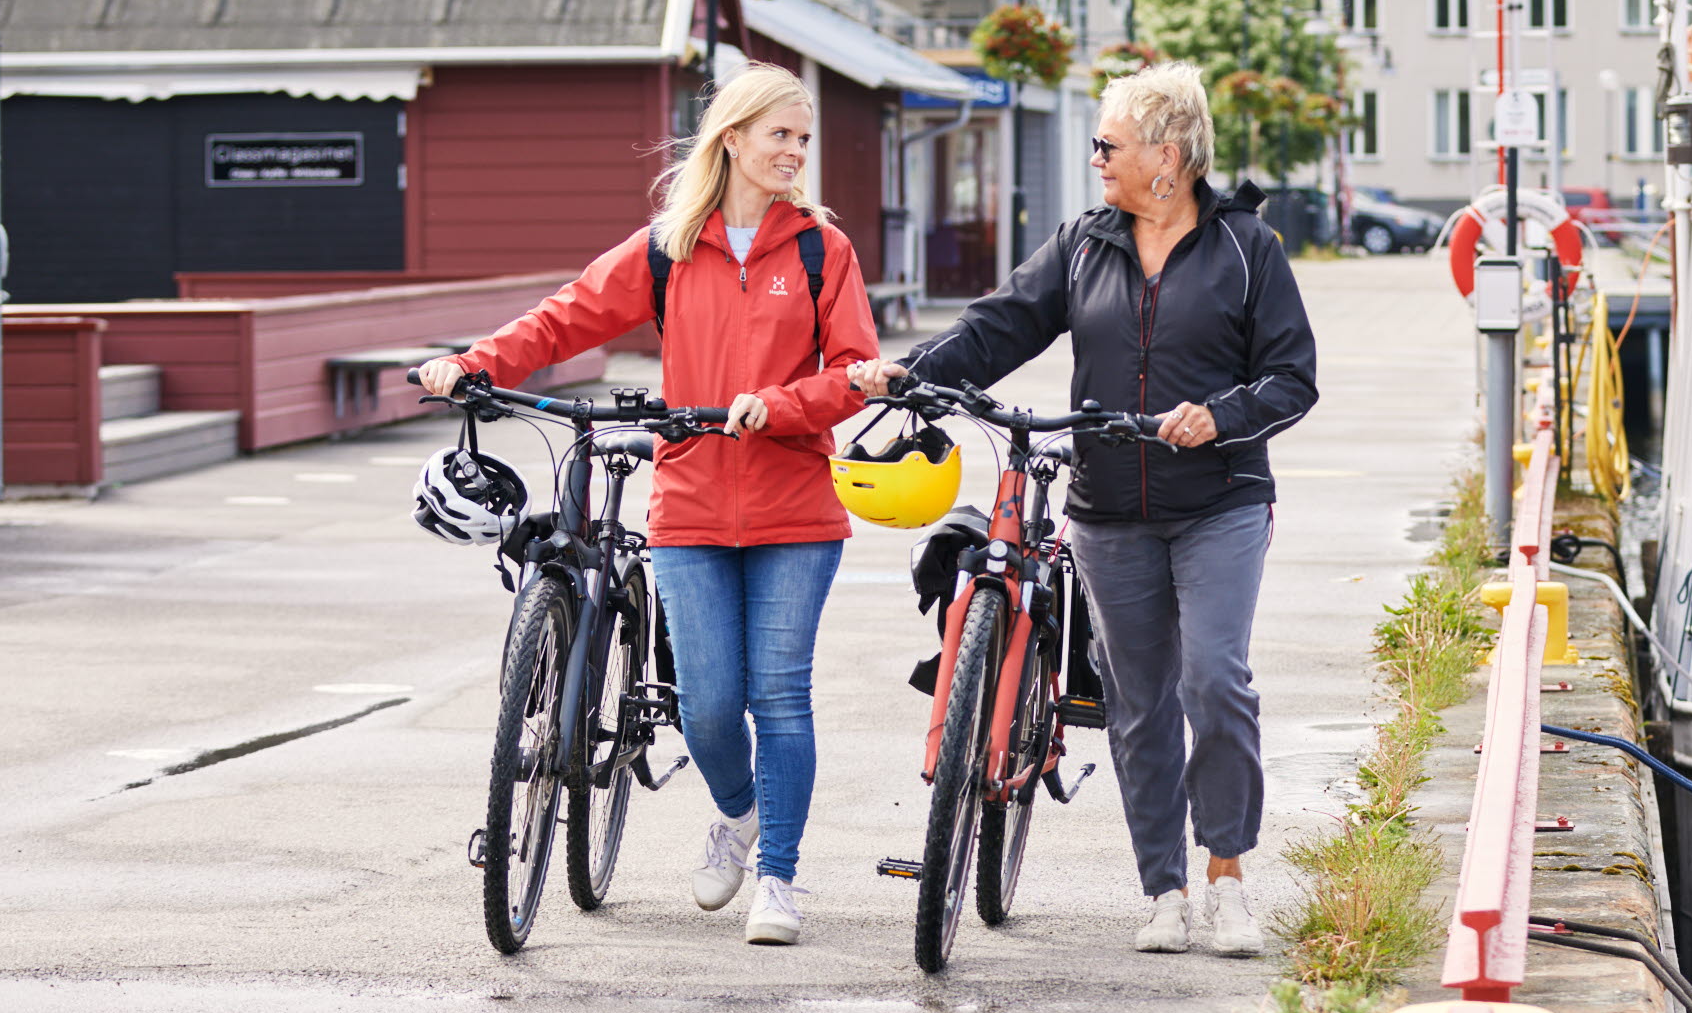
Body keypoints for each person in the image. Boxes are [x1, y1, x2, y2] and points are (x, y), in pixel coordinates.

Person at [850, 61, 1316, 957]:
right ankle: (1165, 890)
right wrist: (918, 374)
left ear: (1168, 157)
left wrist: (1219, 416)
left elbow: (1293, 380)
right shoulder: (1083, 242)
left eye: (1109, 144)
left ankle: (1226, 875)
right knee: (1138, 702)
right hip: (1108, 509)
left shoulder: (1247, 248)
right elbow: (1001, 324)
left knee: (1214, 679)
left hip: (1219, 500)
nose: (1096, 158)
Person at [419, 64, 877, 947]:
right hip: (693, 502)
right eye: (780, 134)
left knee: (780, 695)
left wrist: (778, 406)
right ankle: (739, 814)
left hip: (794, 506)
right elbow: (567, 316)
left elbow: (854, 370)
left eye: (804, 138)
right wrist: (477, 362)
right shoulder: (669, 247)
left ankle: (777, 874)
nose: (794, 152)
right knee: (705, 704)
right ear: (732, 138)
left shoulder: (823, 249)